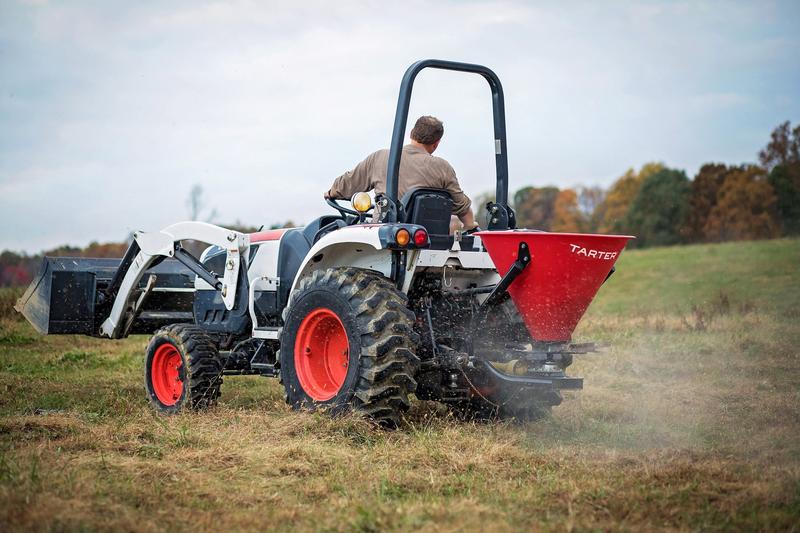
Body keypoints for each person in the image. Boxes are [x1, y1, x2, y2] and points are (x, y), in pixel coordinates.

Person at [324, 115, 479, 231]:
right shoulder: (443, 167)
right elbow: (462, 207)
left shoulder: (381, 157)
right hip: (430, 240)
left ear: (412, 133)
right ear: (436, 143)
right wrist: (470, 225)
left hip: (385, 234)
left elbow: (349, 182)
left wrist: (332, 192)